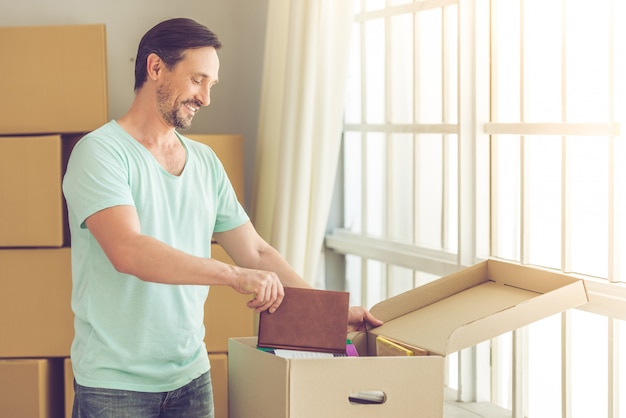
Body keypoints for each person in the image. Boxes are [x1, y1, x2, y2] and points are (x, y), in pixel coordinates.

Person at [62, 17, 382, 418]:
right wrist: (233, 276)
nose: (205, 98)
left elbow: (256, 251)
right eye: (198, 80)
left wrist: (327, 315)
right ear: (156, 67)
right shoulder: (100, 153)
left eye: (211, 85)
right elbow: (130, 251)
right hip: (115, 387)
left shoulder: (205, 163)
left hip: (191, 380)